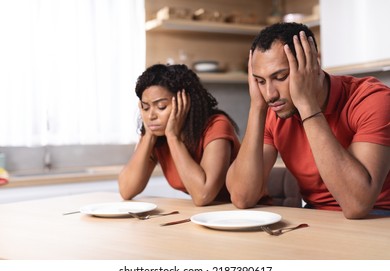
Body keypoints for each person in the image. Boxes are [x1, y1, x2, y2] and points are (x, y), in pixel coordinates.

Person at [226, 22, 390, 219]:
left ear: (313, 65)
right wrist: (257, 107)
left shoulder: (372, 100)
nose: (270, 94)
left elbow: (357, 205)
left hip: (379, 218)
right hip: (317, 217)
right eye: (260, 81)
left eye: (281, 76)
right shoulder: (275, 109)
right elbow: (242, 197)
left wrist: (307, 105)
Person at [119, 63, 240, 206]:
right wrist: (149, 136)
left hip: (246, 212)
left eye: (161, 107)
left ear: (185, 102)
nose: (151, 115)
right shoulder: (157, 134)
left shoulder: (216, 126)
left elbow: (203, 195)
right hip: (205, 215)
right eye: (145, 108)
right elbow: (126, 190)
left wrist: (173, 137)